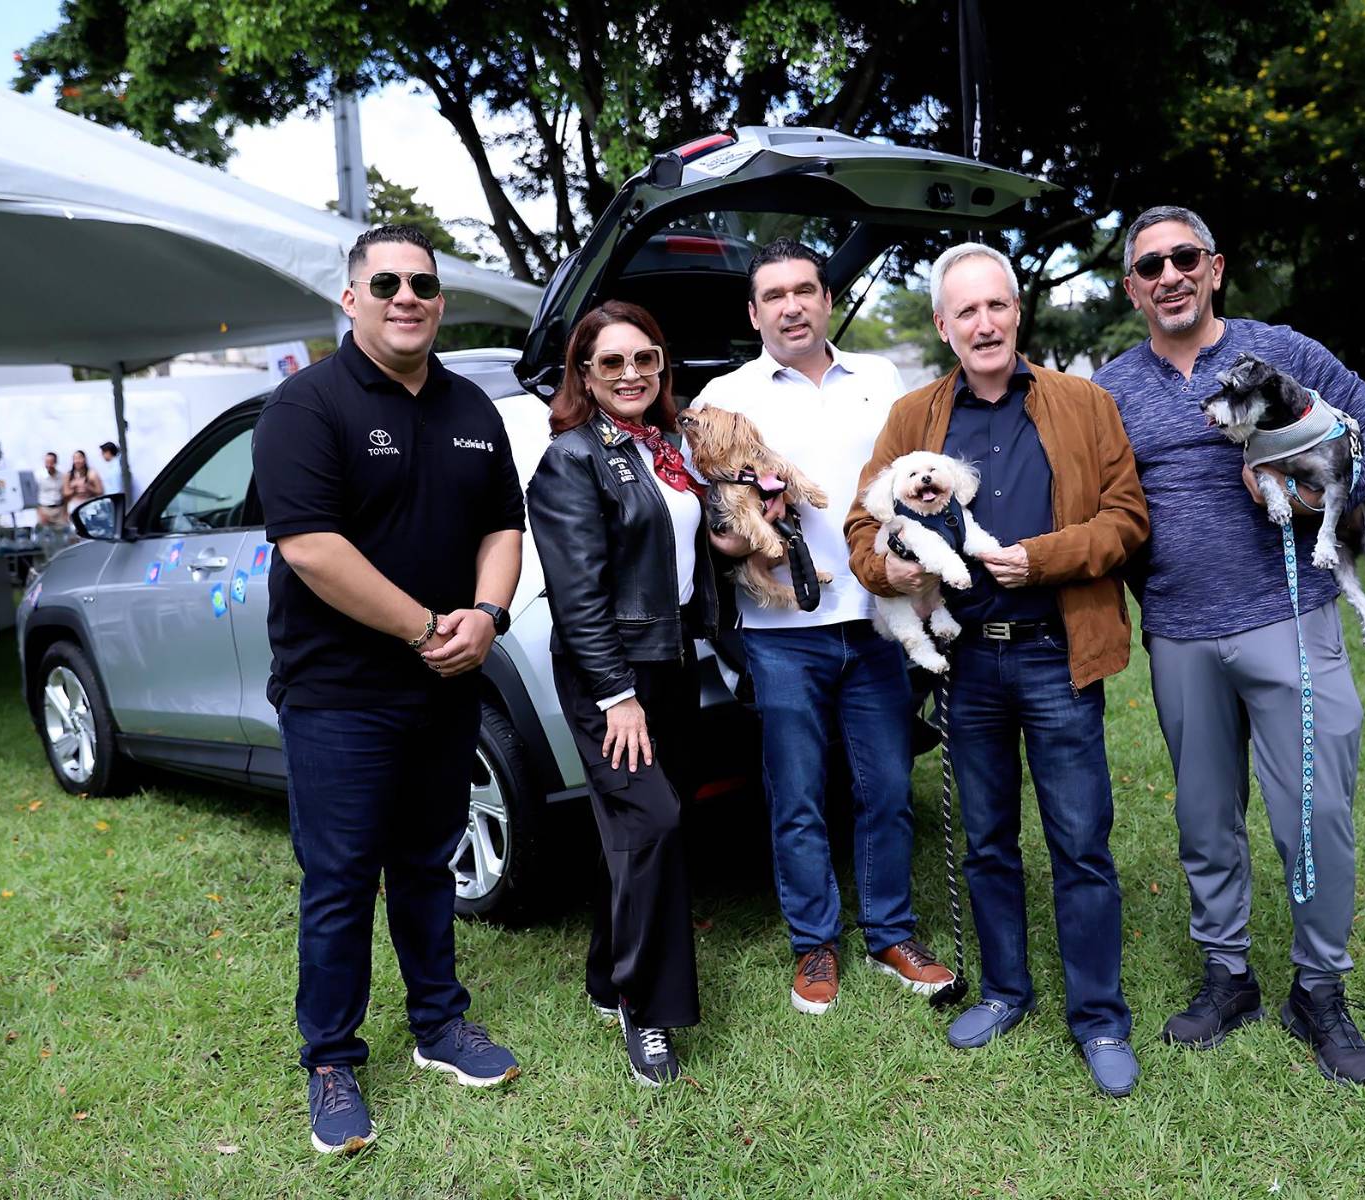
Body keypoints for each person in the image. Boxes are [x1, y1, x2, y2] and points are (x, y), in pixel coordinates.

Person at [1093, 206, 1365, 1085]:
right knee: (1205, 822)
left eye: (1183, 258)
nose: (1168, 274)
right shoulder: (1109, 387)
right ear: (1131, 287)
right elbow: (1093, 503)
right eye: (1149, 265)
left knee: (1313, 814)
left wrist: (1319, 489)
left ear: (1214, 268)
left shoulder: (1284, 354)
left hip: (1289, 616)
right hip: (1178, 634)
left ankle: (1317, 990)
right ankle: (1227, 976)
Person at [846, 243, 1149, 1096]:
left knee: (1080, 844)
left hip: (1057, 654)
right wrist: (893, 573)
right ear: (943, 326)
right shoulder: (914, 416)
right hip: (965, 665)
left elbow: (1127, 518)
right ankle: (1008, 992)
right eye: (964, 311)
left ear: (1018, 314)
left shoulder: (1082, 404)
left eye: (996, 306)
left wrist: (1043, 558)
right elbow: (863, 529)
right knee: (985, 843)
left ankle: (1097, 1018)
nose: (983, 323)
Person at [252, 224, 526, 1154]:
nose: (406, 296)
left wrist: (485, 616)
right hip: (340, 692)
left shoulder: (470, 407)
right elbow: (312, 549)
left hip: (447, 679)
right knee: (339, 877)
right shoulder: (306, 405)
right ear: (351, 298)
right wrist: (424, 629)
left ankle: (439, 1026)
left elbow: (502, 527)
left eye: (422, 283)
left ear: (438, 299)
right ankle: (331, 1057)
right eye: (387, 282)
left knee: (427, 859)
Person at [694, 237, 955, 1016]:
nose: (791, 306)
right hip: (781, 633)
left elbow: (914, 482)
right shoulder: (725, 396)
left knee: (884, 789)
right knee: (797, 795)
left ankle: (889, 934)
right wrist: (751, 527)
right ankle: (814, 946)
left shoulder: (879, 377)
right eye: (773, 295)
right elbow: (712, 531)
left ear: (826, 299)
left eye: (804, 290)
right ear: (753, 312)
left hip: (877, 619)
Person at [526, 301, 715, 1087]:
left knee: (636, 829)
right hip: (610, 675)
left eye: (646, 358)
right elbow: (576, 594)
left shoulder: (664, 451)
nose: (632, 374)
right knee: (654, 819)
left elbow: (676, 549)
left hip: (668, 659)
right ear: (583, 374)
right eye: (611, 363)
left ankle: (608, 975)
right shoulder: (571, 460)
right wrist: (614, 695)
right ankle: (647, 1009)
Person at [63, 450, 103, 516]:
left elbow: (100, 491)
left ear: (84, 459)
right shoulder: (69, 475)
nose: (77, 461)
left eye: (79, 458)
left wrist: (88, 487)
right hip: (74, 505)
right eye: (75, 459)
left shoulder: (92, 474)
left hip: (90, 504)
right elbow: (65, 493)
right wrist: (75, 489)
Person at [35, 452, 66, 526]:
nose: (48, 465)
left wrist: (65, 512)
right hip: (44, 509)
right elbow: (33, 495)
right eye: (47, 462)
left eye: (51, 462)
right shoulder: (39, 476)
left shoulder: (62, 476)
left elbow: (64, 494)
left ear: (55, 462)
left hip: (59, 509)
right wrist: (40, 513)